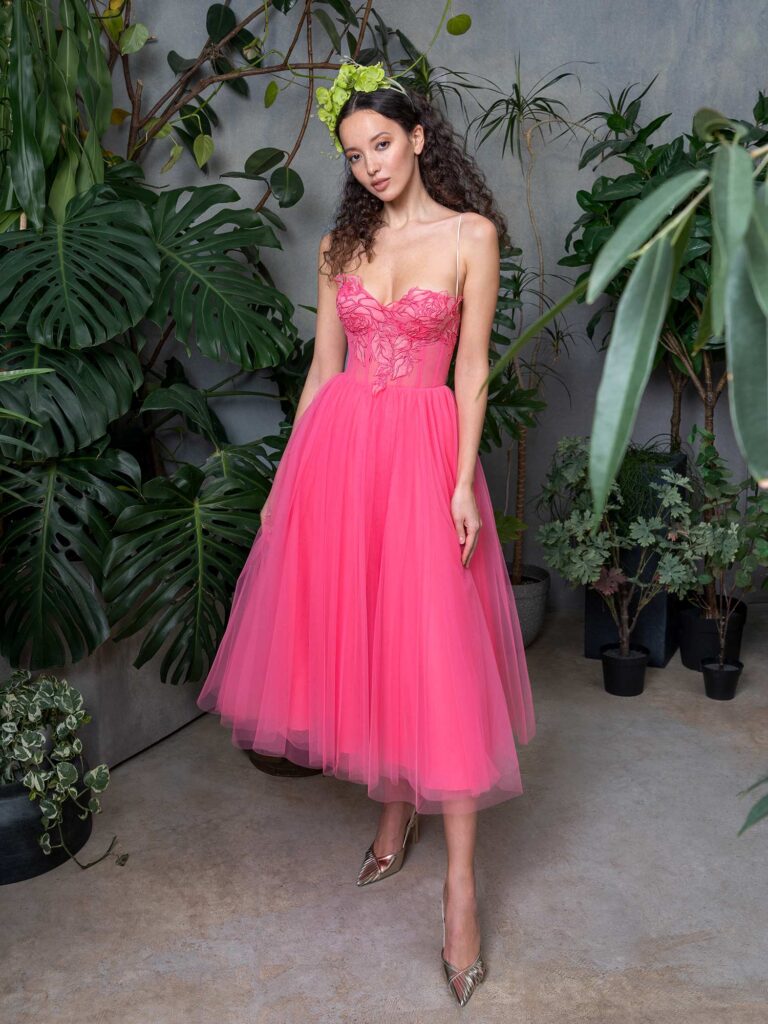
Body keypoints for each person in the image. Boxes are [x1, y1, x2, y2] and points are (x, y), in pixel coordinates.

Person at [196, 59, 536, 1008]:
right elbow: (319, 372)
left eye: (382, 144)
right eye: (355, 154)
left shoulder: (471, 236)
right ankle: (395, 806)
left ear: (419, 137)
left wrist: (464, 480)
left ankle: (461, 892)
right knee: (371, 635)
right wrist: (284, 483)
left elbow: (471, 373)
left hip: (426, 455)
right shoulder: (341, 249)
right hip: (341, 457)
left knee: (440, 657)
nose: (371, 165)